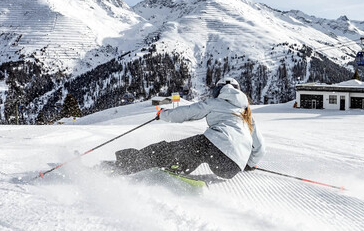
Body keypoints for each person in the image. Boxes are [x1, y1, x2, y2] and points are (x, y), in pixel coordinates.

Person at [113, 77, 265, 179]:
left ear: (220, 90)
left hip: (216, 147)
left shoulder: (215, 103)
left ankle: (128, 163)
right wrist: (249, 163)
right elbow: (260, 147)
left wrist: (163, 114)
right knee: (199, 150)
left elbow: (188, 112)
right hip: (230, 168)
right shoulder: (247, 114)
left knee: (171, 148)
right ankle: (178, 166)